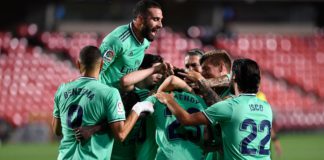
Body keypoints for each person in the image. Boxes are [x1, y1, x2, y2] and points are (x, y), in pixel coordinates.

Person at [155, 58, 273, 160]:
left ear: (234, 77)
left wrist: (168, 100)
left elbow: (187, 119)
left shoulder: (230, 106)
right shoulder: (267, 107)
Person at [52, 46, 154, 160]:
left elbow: (57, 130)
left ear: (78, 64)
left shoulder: (62, 90)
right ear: (101, 65)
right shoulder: (109, 93)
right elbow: (121, 135)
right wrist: (138, 109)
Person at [98, 0, 164, 89]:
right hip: (106, 95)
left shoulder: (146, 40)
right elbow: (94, 73)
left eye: (161, 20)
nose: (160, 25)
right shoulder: (117, 41)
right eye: (155, 19)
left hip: (125, 94)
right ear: (140, 19)